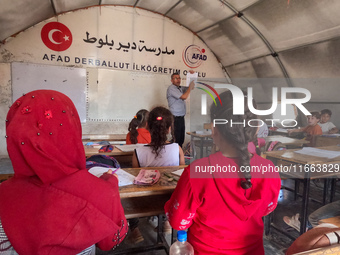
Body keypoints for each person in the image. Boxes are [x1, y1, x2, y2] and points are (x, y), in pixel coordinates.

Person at [0, 90, 127, 255]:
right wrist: (111, 185)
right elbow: (110, 241)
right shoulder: (99, 193)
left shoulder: (3, 192)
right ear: (71, 129)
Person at [164, 90, 281, 254]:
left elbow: (178, 223)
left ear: (214, 128)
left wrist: (170, 206)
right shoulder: (269, 169)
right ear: (255, 129)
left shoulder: (197, 172)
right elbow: (267, 209)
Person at [129, 106, 185, 243]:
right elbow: (181, 176)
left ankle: (135, 229)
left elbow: (135, 181)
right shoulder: (177, 149)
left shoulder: (138, 152)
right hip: (171, 200)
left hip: (144, 201)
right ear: (169, 128)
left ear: (147, 126)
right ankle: (166, 221)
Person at [166, 72, 195, 148]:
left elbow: (192, 87)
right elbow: (184, 96)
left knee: (181, 139)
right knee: (176, 139)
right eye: (176, 78)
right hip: (175, 118)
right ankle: (175, 157)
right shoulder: (171, 88)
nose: (178, 80)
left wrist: (192, 77)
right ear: (172, 80)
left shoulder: (180, 88)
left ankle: (179, 157)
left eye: (179, 78)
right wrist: (189, 88)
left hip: (181, 117)